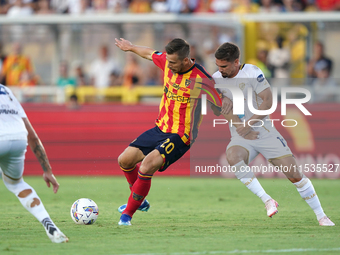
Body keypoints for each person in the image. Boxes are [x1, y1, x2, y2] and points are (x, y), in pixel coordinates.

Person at [114, 38, 239, 226]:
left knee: (147, 166)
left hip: (182, 135)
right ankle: (139, 200)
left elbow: (222, 105)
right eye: (168, 61)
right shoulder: (167, 62)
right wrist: (131, 48)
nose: (168, 65)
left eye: (173, 62)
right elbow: (149, 53)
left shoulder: (201, 79)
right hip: (160, 128)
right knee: (124, 160)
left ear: (186, 60)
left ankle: (127, 216)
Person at [213, 42, 334, 226]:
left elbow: (268, 102)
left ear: (236, 62)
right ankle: (268, 200)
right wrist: (240, 125)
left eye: (224, 66)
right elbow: (219, 108)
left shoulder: (253, 72)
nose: (220, 70)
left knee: (294, 175)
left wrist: (249, 124)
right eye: (217, 66)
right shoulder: (216, 79)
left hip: (264, 131)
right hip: (241, 135)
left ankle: (321, 216)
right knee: (233, 157)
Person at [0, 84, 69, 242]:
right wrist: (47, 170)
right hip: (18, 138)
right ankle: (50, 226)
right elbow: (32, 136)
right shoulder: (6, 91)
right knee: (17, 184)